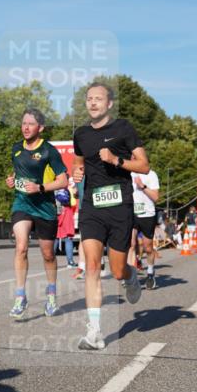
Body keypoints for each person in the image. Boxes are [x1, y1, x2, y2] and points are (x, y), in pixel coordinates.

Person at [72, 82, 149, 349]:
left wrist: (116, 160)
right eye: (89, 98)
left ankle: (130, 277)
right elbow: (78, 163)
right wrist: (77, 174)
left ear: (109, 104)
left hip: (120, 206)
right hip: (92, 206)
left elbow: (144, 165)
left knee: (116, 270)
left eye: (98, 99)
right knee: (92, 267)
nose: (93, 103)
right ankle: (94, 332)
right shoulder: (81, 134)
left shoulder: (123, 129)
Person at [4, 108, 68, 319]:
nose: (25, 127)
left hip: (44, 207)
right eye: (23, 123)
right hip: (22, 204)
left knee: (48, 255)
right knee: (20, 247)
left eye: (30, 124)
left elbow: (63, 180)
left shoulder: (49, 150)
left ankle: (51, 295)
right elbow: (18, 173)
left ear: (40, 128)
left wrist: (40, 188)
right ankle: (20, 296)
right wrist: (11, 181)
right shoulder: (15, 149)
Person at [130, 168, 161, 289]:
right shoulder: (128, 173)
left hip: (147, 214)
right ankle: (131, 276)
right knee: (131, 244)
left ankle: (150, 273)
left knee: (148, 248)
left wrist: (142, 186)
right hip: (132, 214)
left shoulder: (151, 174)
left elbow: (156, 197)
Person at [55, 188, 77, 267]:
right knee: (68, 238)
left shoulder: (54, 188)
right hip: (67, 211)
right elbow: (74, 202)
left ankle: (50, 261)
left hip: (57, 213)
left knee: (55, 237)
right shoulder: (69, 189)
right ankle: (70, 262)